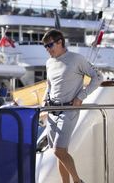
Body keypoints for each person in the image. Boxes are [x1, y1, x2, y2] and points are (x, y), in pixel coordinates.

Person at [41, 29, 102, 183]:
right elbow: (49, 85)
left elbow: (98, 77)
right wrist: (44, 102)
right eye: (45, 47)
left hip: (69, 110)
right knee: (59, 153)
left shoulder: (76, 59)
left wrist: (81, 96)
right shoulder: (49, 63)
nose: (47, 49)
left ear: (60, 42)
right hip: (51, 110)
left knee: (58, 150)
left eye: (49, 45)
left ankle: (77, 181)